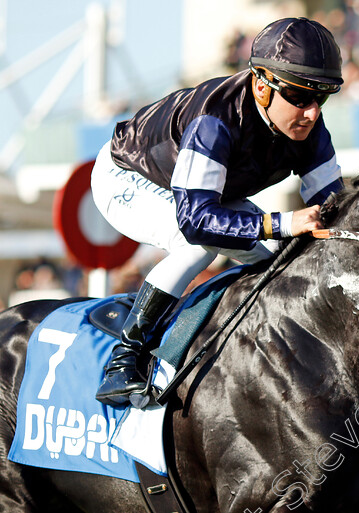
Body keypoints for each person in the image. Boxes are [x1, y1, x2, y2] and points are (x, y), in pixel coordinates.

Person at [89, 18, 345, 407]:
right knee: (197, 248)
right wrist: (282, 223)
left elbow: (336, 207)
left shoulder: (309, 127)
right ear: (262, 85)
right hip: (127, 176)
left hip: (206, 193)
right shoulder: (215, 120)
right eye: (299, 96)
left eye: (321, 98)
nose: (311, 113)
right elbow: (195, 222)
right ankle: (123, 360)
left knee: (275, 263)